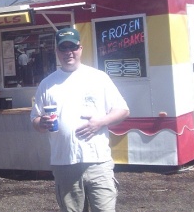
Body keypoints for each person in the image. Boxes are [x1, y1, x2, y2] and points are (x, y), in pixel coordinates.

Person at [30, 27, 130, 212]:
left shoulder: (98, 78)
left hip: (98, 162)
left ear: (80, 48)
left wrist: (100, 122)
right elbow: (35, 120)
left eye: (73, 47)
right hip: (64, 163)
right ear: (57, 51)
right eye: (63, 48)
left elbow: (123, 110)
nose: (68, 52)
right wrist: (41, 123)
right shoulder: (47, 83)